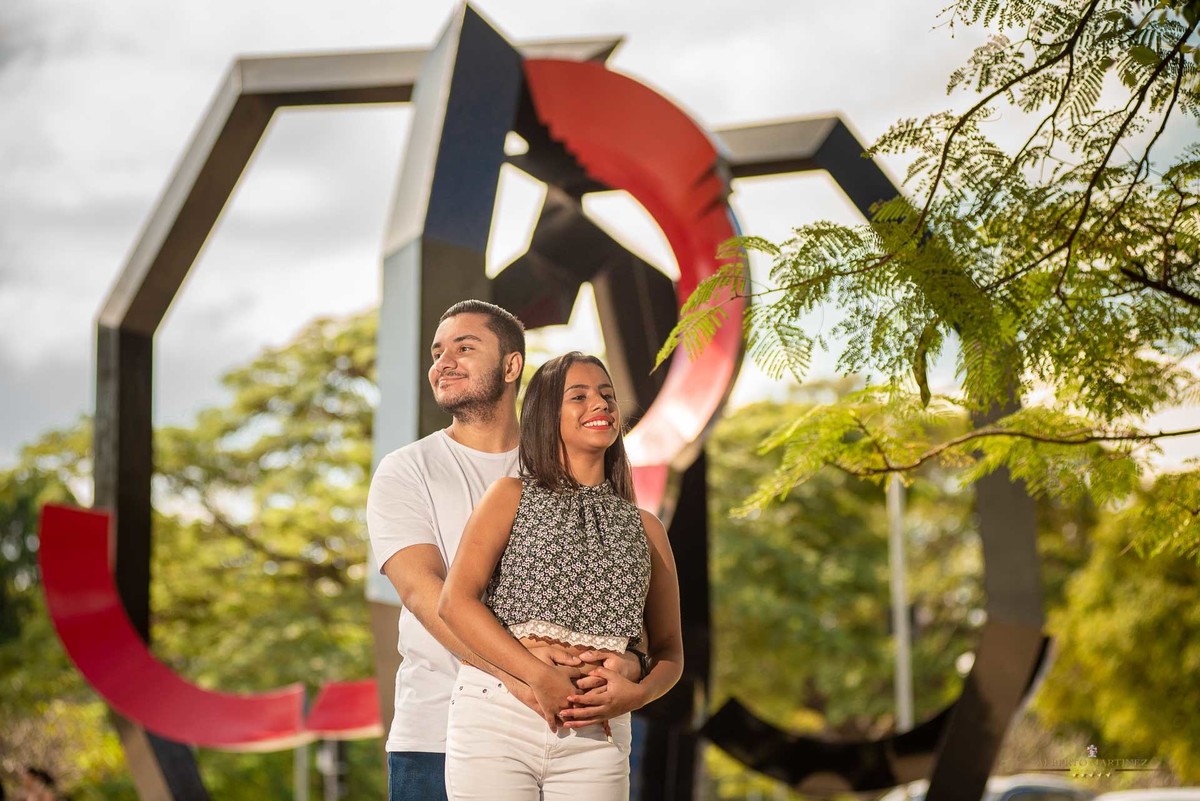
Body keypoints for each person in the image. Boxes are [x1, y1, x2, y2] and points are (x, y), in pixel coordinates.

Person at [367, 302, 643, 801]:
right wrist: (523, 676)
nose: (443, 362)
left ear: (512, 366)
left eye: (464, 347)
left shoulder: (574, 466)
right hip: (435, 732)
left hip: (572, 725)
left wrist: (629, 668)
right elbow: (425, 593)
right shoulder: (407, 469)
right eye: (437, 352)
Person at [439, 351, 684, 800]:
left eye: (607, 395)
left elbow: (670, 651)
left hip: (598, 736)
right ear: (546, 415)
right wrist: (535, 674)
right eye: (580, 395)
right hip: (500, 715)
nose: (601, 404)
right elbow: (454, 602)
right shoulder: (509, 496)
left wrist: (637, 694)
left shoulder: (647, 528)